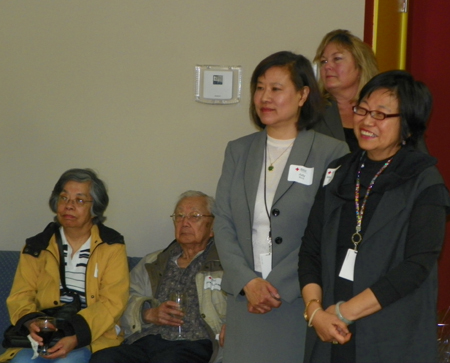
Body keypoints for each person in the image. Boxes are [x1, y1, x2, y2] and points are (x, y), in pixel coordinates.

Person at [298, 70, 450, 363]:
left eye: (381, 114)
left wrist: (342, 312)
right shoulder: (338, 173)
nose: (367, 121)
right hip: (327, 332)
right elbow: (310, 250)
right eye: (363, 109)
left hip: (391, 335)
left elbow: (416, 266)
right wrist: (315, 311)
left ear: (407, 126)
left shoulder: (424, 179)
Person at [213, 51, 349, 363]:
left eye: (276, 89)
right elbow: (222, 220)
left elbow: (325, 230)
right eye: (259, 88)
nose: (265, 97)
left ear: (303, 95)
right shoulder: (238, 150)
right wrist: (248, 281)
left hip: (297, 298)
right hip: (245, 297)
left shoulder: (331, 152)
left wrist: (273, 288)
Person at [1, 169, 129, 363]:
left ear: (95, 208)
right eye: (63, 198)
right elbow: (20, 296)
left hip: (90, 335)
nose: (68, 206)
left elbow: (113, 303)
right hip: (43, 335)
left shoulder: (111, 246)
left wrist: (76, 336)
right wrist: (32, 322)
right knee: (21, 362)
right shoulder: (36, 247)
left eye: (79, 200)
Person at [90, 190, 226, 363]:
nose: (184, 222)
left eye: (194, 216)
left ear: (212, 227)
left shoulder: (224, 264)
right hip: (147, 341)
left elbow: (242, 303)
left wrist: (234, 326)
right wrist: (146, 313)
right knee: (103, 359)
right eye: (179, 216)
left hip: (195, 343)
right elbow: (122, 298)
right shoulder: (152, 262)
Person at [312, 29, 379, 152]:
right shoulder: (311, 112)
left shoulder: (386, 111)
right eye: (323, 61)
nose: (327, 66)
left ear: (360, 65)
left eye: (337, 59)